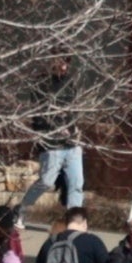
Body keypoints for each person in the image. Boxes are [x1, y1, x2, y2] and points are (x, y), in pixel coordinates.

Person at [30, 69, 88, 213]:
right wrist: (56, 128)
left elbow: (75, 110)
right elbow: (38, 116)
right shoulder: (41, 83)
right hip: (52, 145)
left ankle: (74, 219)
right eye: (59, 61)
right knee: (45, 182)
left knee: (76, 184)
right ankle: (20, 211)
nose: (63, 66)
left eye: (66, 62)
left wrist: (76, 130)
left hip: (72, 144)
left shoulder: (71, 82)